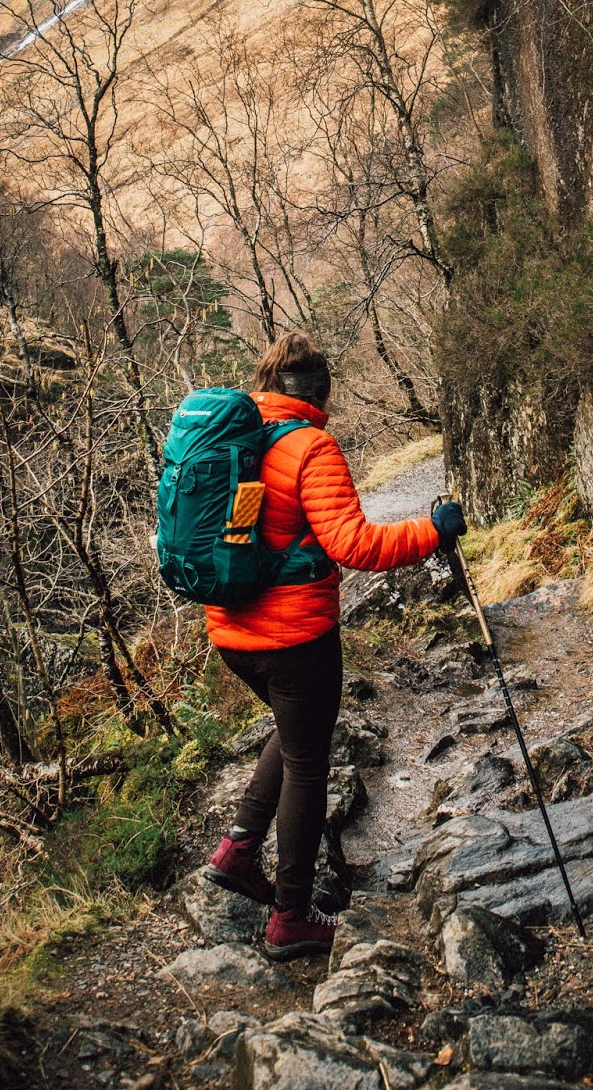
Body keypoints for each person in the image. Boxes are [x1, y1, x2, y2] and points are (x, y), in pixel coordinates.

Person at [201, 332, 467, 960]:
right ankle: (290, 916)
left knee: (292, 731)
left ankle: (238, 852)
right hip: (294, 637)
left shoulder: (231, 440)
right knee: (308, 764)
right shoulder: (310, 446)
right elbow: (355, 546)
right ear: (318, 391)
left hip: (230, 631)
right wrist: (434, 529)